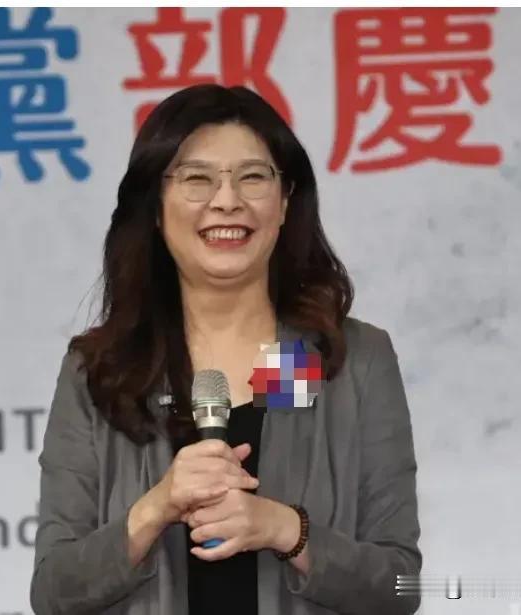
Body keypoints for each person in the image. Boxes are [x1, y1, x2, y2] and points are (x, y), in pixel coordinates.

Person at [30, 84, 422, 615]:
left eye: (253, 177)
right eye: (197, 179)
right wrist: (155, 508)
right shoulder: (102, 370)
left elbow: (399, 587)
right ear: (155, 207)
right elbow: (54, 593)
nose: (227, 200)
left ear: (285, 202)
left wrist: (286, 529)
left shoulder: (348, 359)